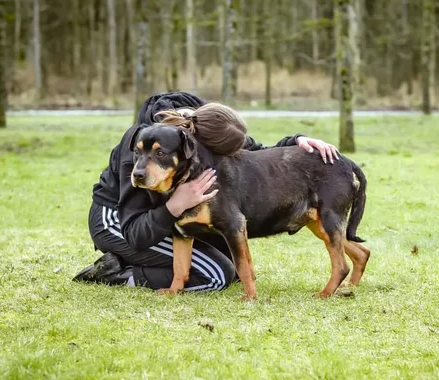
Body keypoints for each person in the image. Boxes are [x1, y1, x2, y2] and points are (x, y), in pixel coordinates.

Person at [73, 91, 340, 292]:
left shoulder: (205, 120)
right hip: (118, 222)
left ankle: (147, 261)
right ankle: (117, 274)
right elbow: (135, 232)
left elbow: (252, 153)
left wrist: (297, 142)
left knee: (232, 265)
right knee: (216, 274)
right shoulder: (141, 149)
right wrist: (175, 205)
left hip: (168, 220)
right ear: (194, 145)